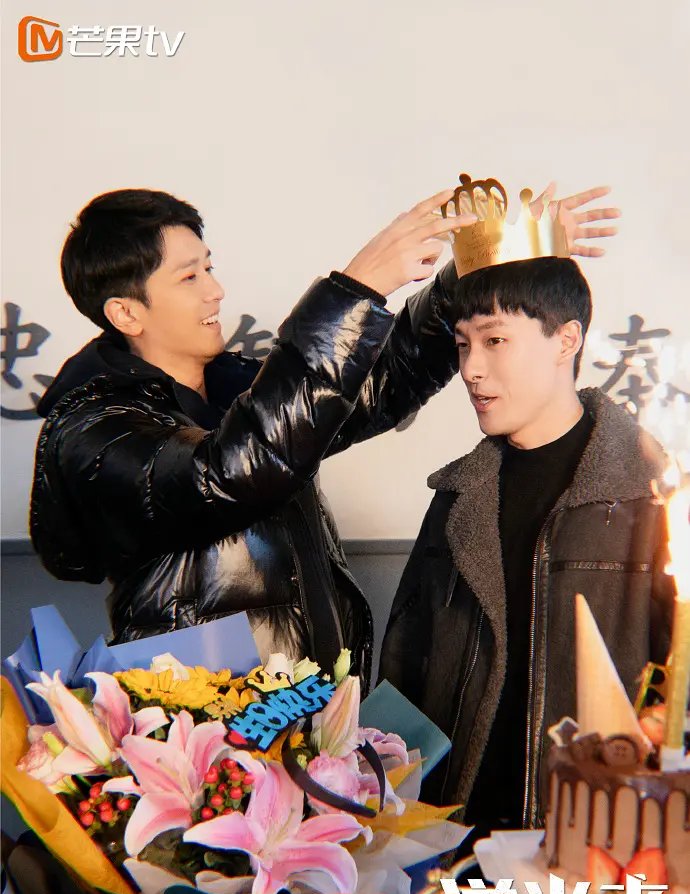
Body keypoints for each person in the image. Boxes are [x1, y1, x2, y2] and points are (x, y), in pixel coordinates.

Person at [29, 184, 615, 692]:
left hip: (306, 707)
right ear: (126, 313)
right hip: (200, 738)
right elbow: (229, 471)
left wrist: (487, 260)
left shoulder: (240, 394)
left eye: (209, 267)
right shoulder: (93, 428)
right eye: (189, 277)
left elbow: (377, 384)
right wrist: (358, 287)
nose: (215, 290)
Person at [378, 255, 675, 829]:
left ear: (566, 340)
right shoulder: (457, 496)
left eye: (495, 341)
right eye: (463, 345)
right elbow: (404, 669)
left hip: (595, 832)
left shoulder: (653, 497)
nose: (471, 369)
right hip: (455, 832)